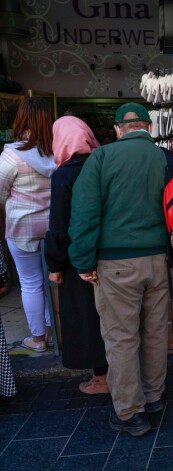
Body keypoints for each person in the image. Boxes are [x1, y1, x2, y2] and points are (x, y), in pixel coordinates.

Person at [68, 103, 173, 437]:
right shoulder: (165, 159)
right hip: (157, 259)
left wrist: (82, 261)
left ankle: (130, 413)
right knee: (155, 332)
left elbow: (85, 213)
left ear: (117, 130)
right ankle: (154, 398)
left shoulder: (101, 158)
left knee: (121, 337)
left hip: (115, 264)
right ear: (149, 127)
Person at [45, 116, 109, 395]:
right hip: (108, 252)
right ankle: (117, 371)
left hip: (76, 258)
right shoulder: (103, 165)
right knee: (110, 315)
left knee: (85, 315)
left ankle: (101, 377)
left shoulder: (63, 174)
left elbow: (59, 224)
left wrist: (55, 263)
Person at [0, 97, 56, 353]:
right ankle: (54, 332)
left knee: (30, 283)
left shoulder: (11, 156)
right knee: (52, 281)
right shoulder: (58, 152)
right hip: (53, 227)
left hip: (22, 228)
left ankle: (39, 339)